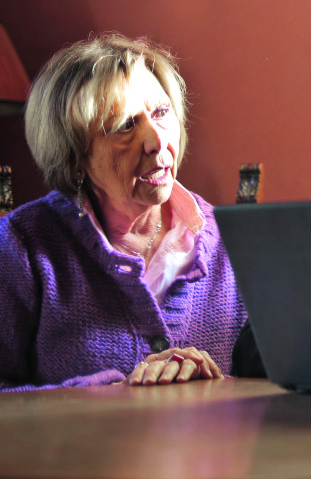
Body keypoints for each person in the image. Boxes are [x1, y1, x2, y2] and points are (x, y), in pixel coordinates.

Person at [0, 34, 245, 392]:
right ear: (75, 157)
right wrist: (112, 395)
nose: (157, 141)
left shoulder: (233, 243)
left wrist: (215, 385)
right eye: (125, 126)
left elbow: (276, 386)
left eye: (161, 113)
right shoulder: (22, 247)